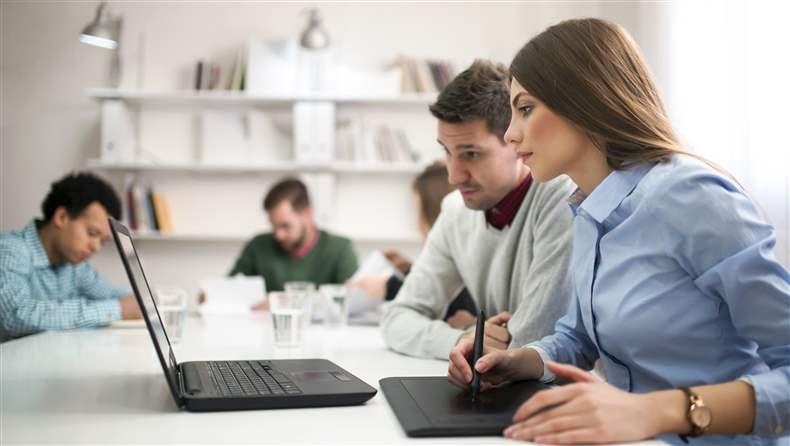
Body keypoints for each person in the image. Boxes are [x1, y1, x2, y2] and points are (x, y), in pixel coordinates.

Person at [447, 18, 790, 445]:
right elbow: (579, 337)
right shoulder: (589, 208)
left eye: (526, 108)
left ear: (584, 100)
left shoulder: (693, 199)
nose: (511, 134)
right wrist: (526, 360)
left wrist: (658, 410)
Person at [381, 60, 576, 360]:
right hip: (497, 384)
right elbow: (397, 319)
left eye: (471, 154)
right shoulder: (455, 209)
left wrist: (483, 339)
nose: (454, 176)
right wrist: (464, 338)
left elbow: (532, 344)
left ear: (515, 141)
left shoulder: (561, 197)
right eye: (447, 152)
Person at [0, 172, 142, 342]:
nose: (96, 247)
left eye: (102, 241)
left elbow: (112, 295)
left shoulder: (75, 265)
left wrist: (147, 302)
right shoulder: (10, 250)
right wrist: (116, 309)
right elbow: (15, 316)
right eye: (92, 233)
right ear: (61, 217)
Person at [346, 160, 477, 328]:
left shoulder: (469, 253)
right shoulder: (459, 246)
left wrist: (390, 287)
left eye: (418, 208)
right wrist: (407, 268)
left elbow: (450, 302)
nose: (417, 219)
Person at [228, 177, 358, 309]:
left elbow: (353, 300)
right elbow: (228, 291)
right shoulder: (257, 245)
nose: (279, 235)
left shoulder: (341, 249)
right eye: (274, 227)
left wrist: (283, 301)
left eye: (285, 226)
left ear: (307, 214)